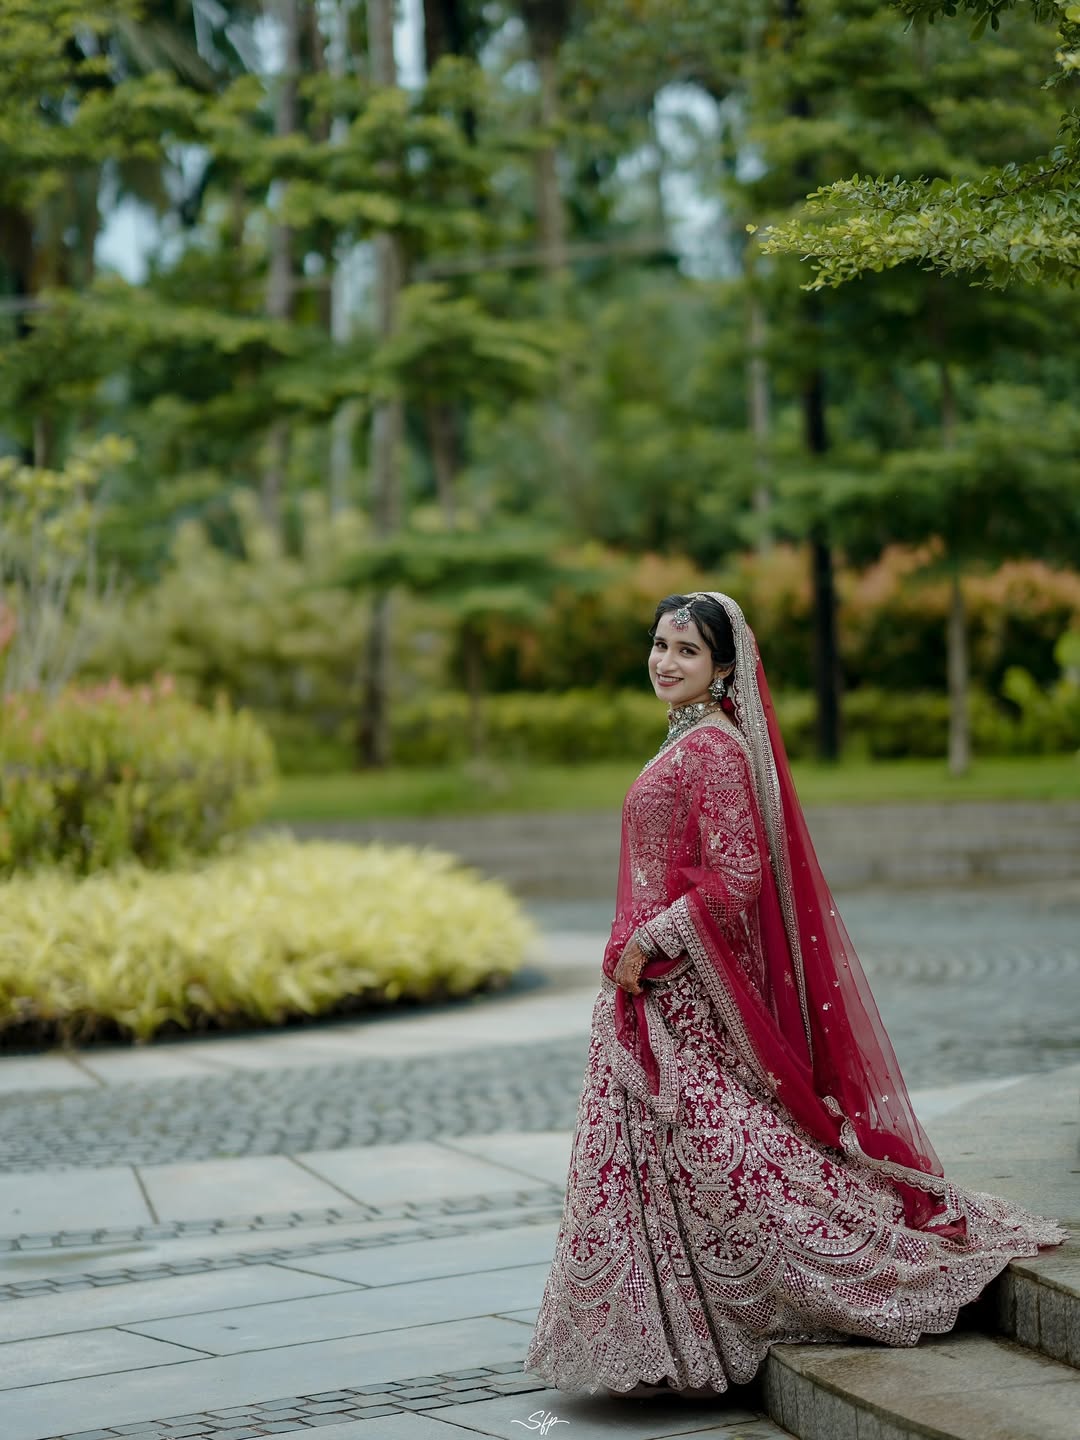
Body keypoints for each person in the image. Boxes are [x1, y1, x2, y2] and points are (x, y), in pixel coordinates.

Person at [523, 590, 1064, 1398]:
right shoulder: (691, 740)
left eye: (686, 650)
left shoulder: (713, 750)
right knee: (661, 1162)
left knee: (715, 1155)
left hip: (676, 994)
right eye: (659, 643)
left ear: (725, 667)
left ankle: (713, 1318)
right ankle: (656, 1335)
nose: (665, 661)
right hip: (647, 992)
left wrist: (649, 941)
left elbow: (738, 877)